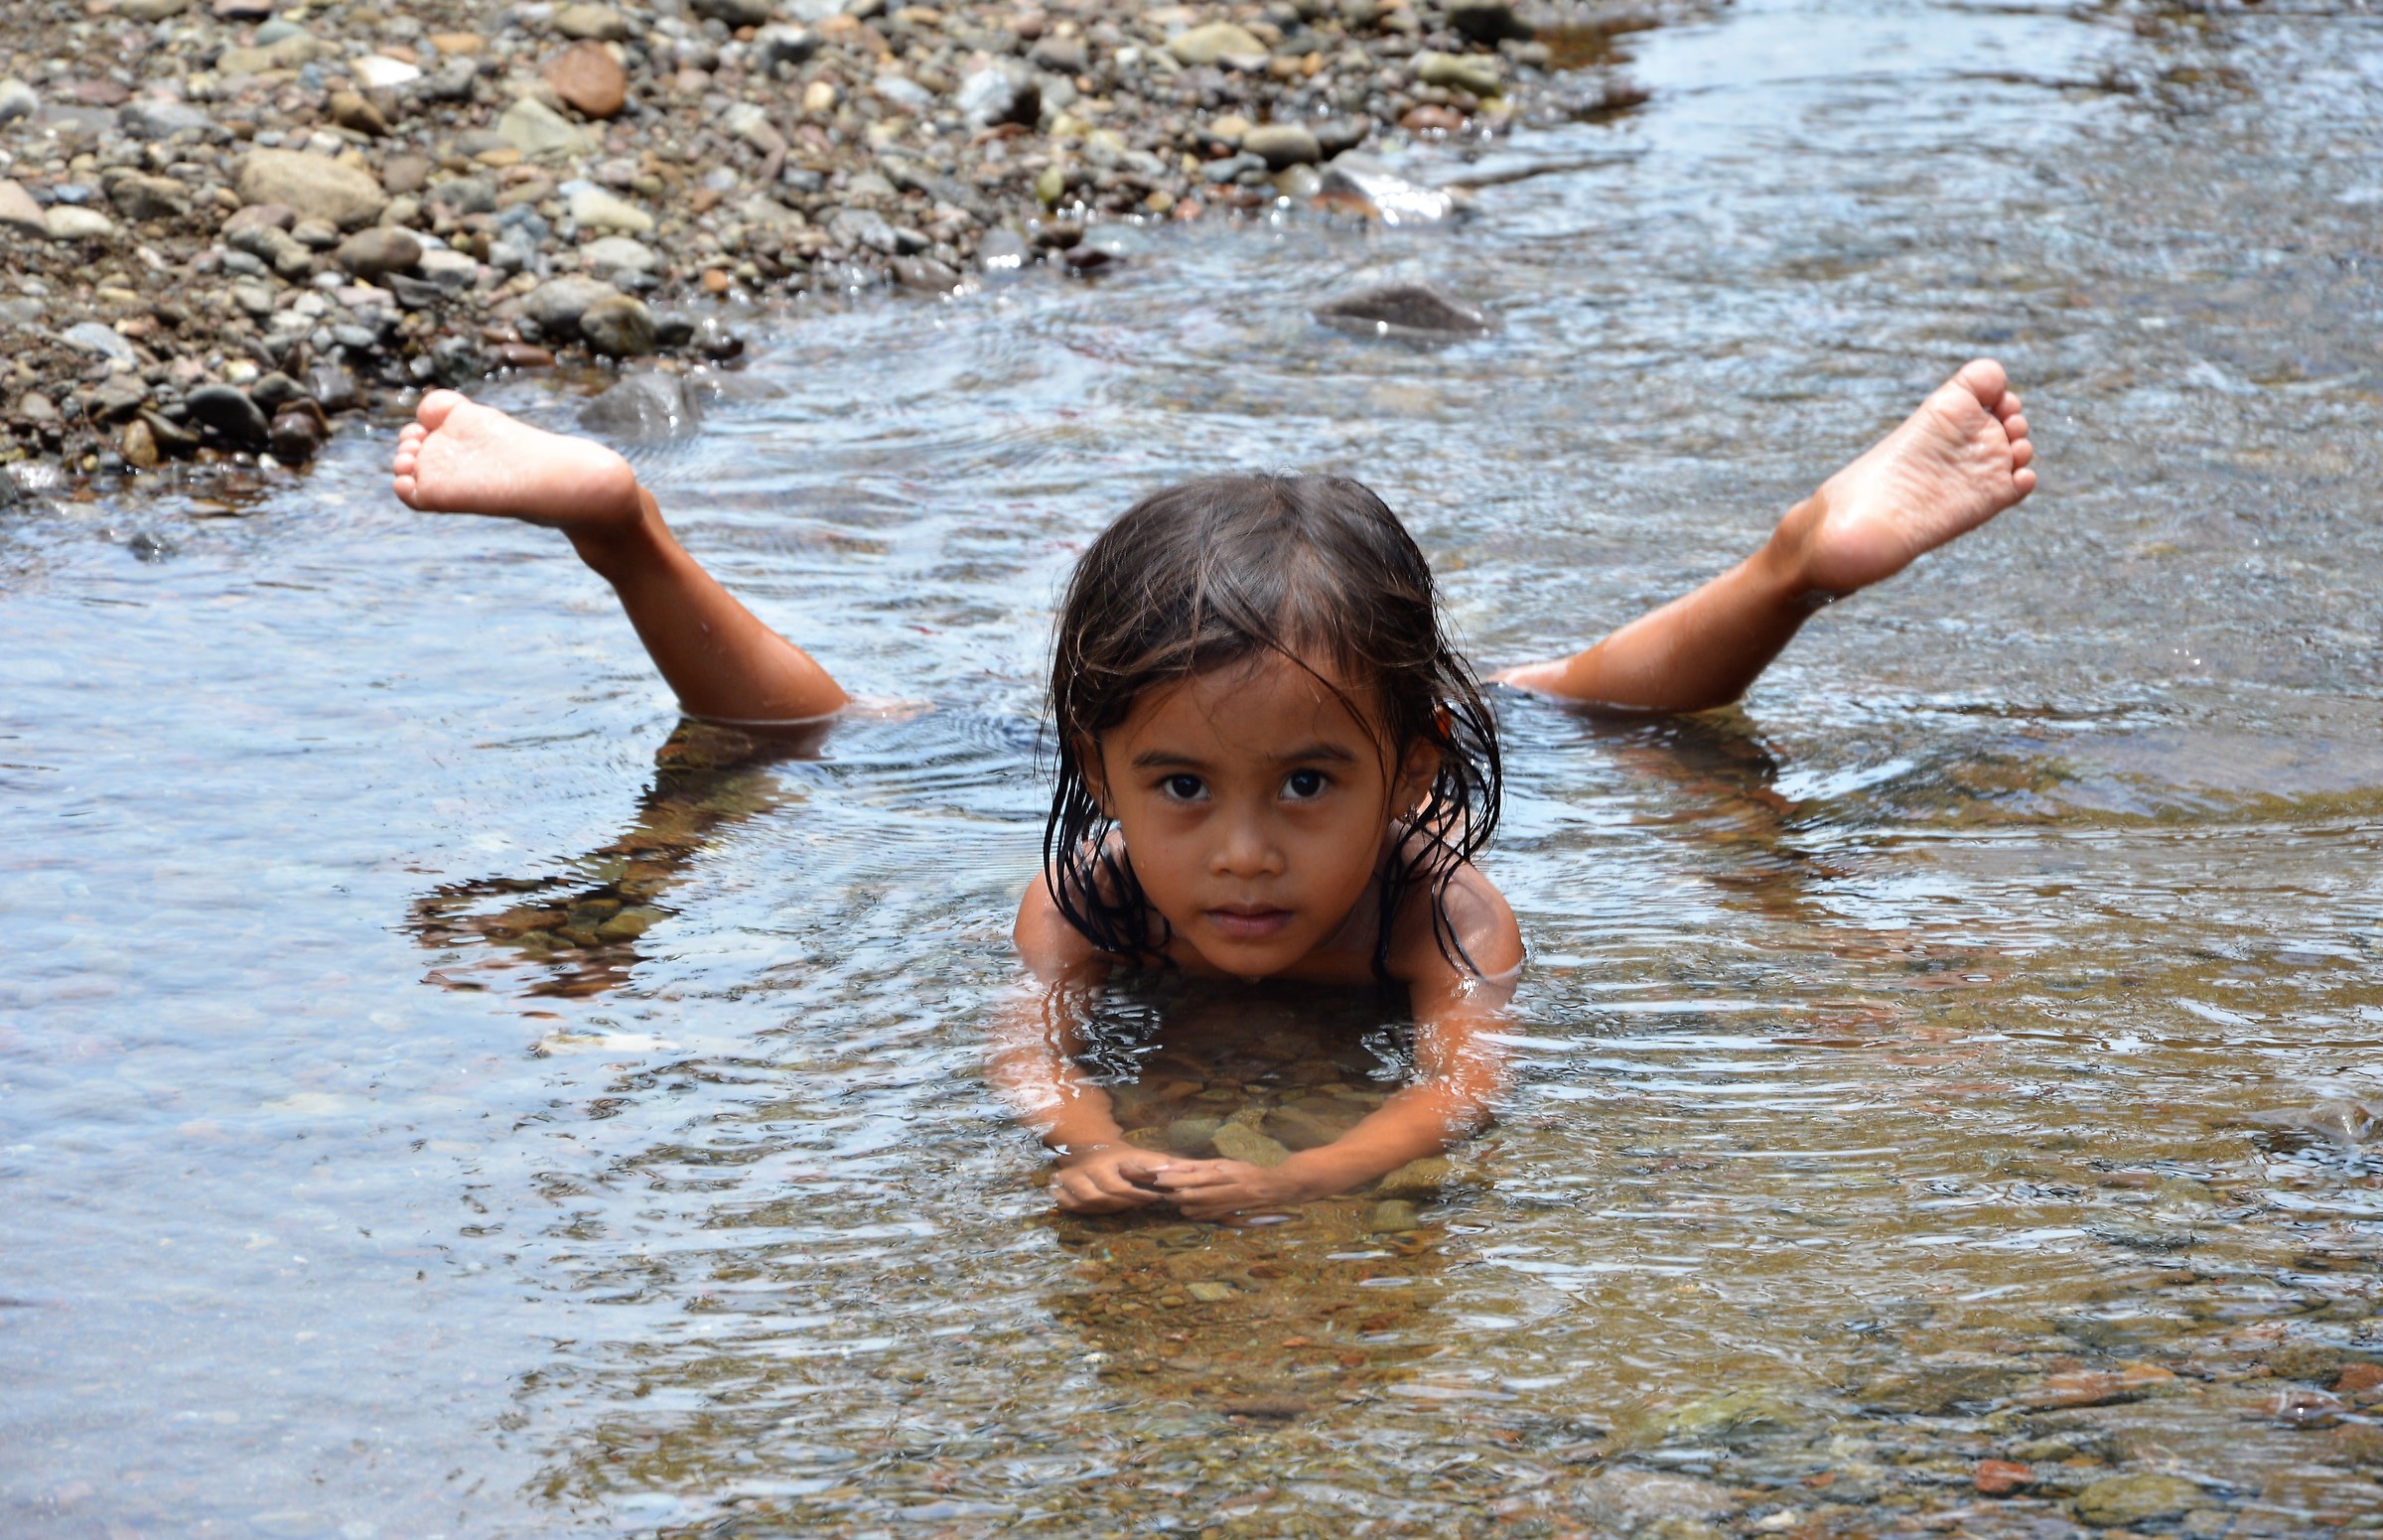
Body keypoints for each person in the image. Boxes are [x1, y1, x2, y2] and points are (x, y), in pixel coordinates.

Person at [389, 359, 2036, 1218]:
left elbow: (1464, 1090)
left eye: (1308, 788)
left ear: (1408, 777)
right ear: (1094, 770)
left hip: (1463, 729)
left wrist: (1296, 1181)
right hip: (1081, 734)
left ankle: (1799, 560)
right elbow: (1025, 1041)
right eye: (1180, 789)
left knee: (1603, 708)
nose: (1242, 856)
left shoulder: (1439, 895)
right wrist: (1087, 1140)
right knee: (812, 738)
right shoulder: (1099, 874)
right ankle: (620, 519)